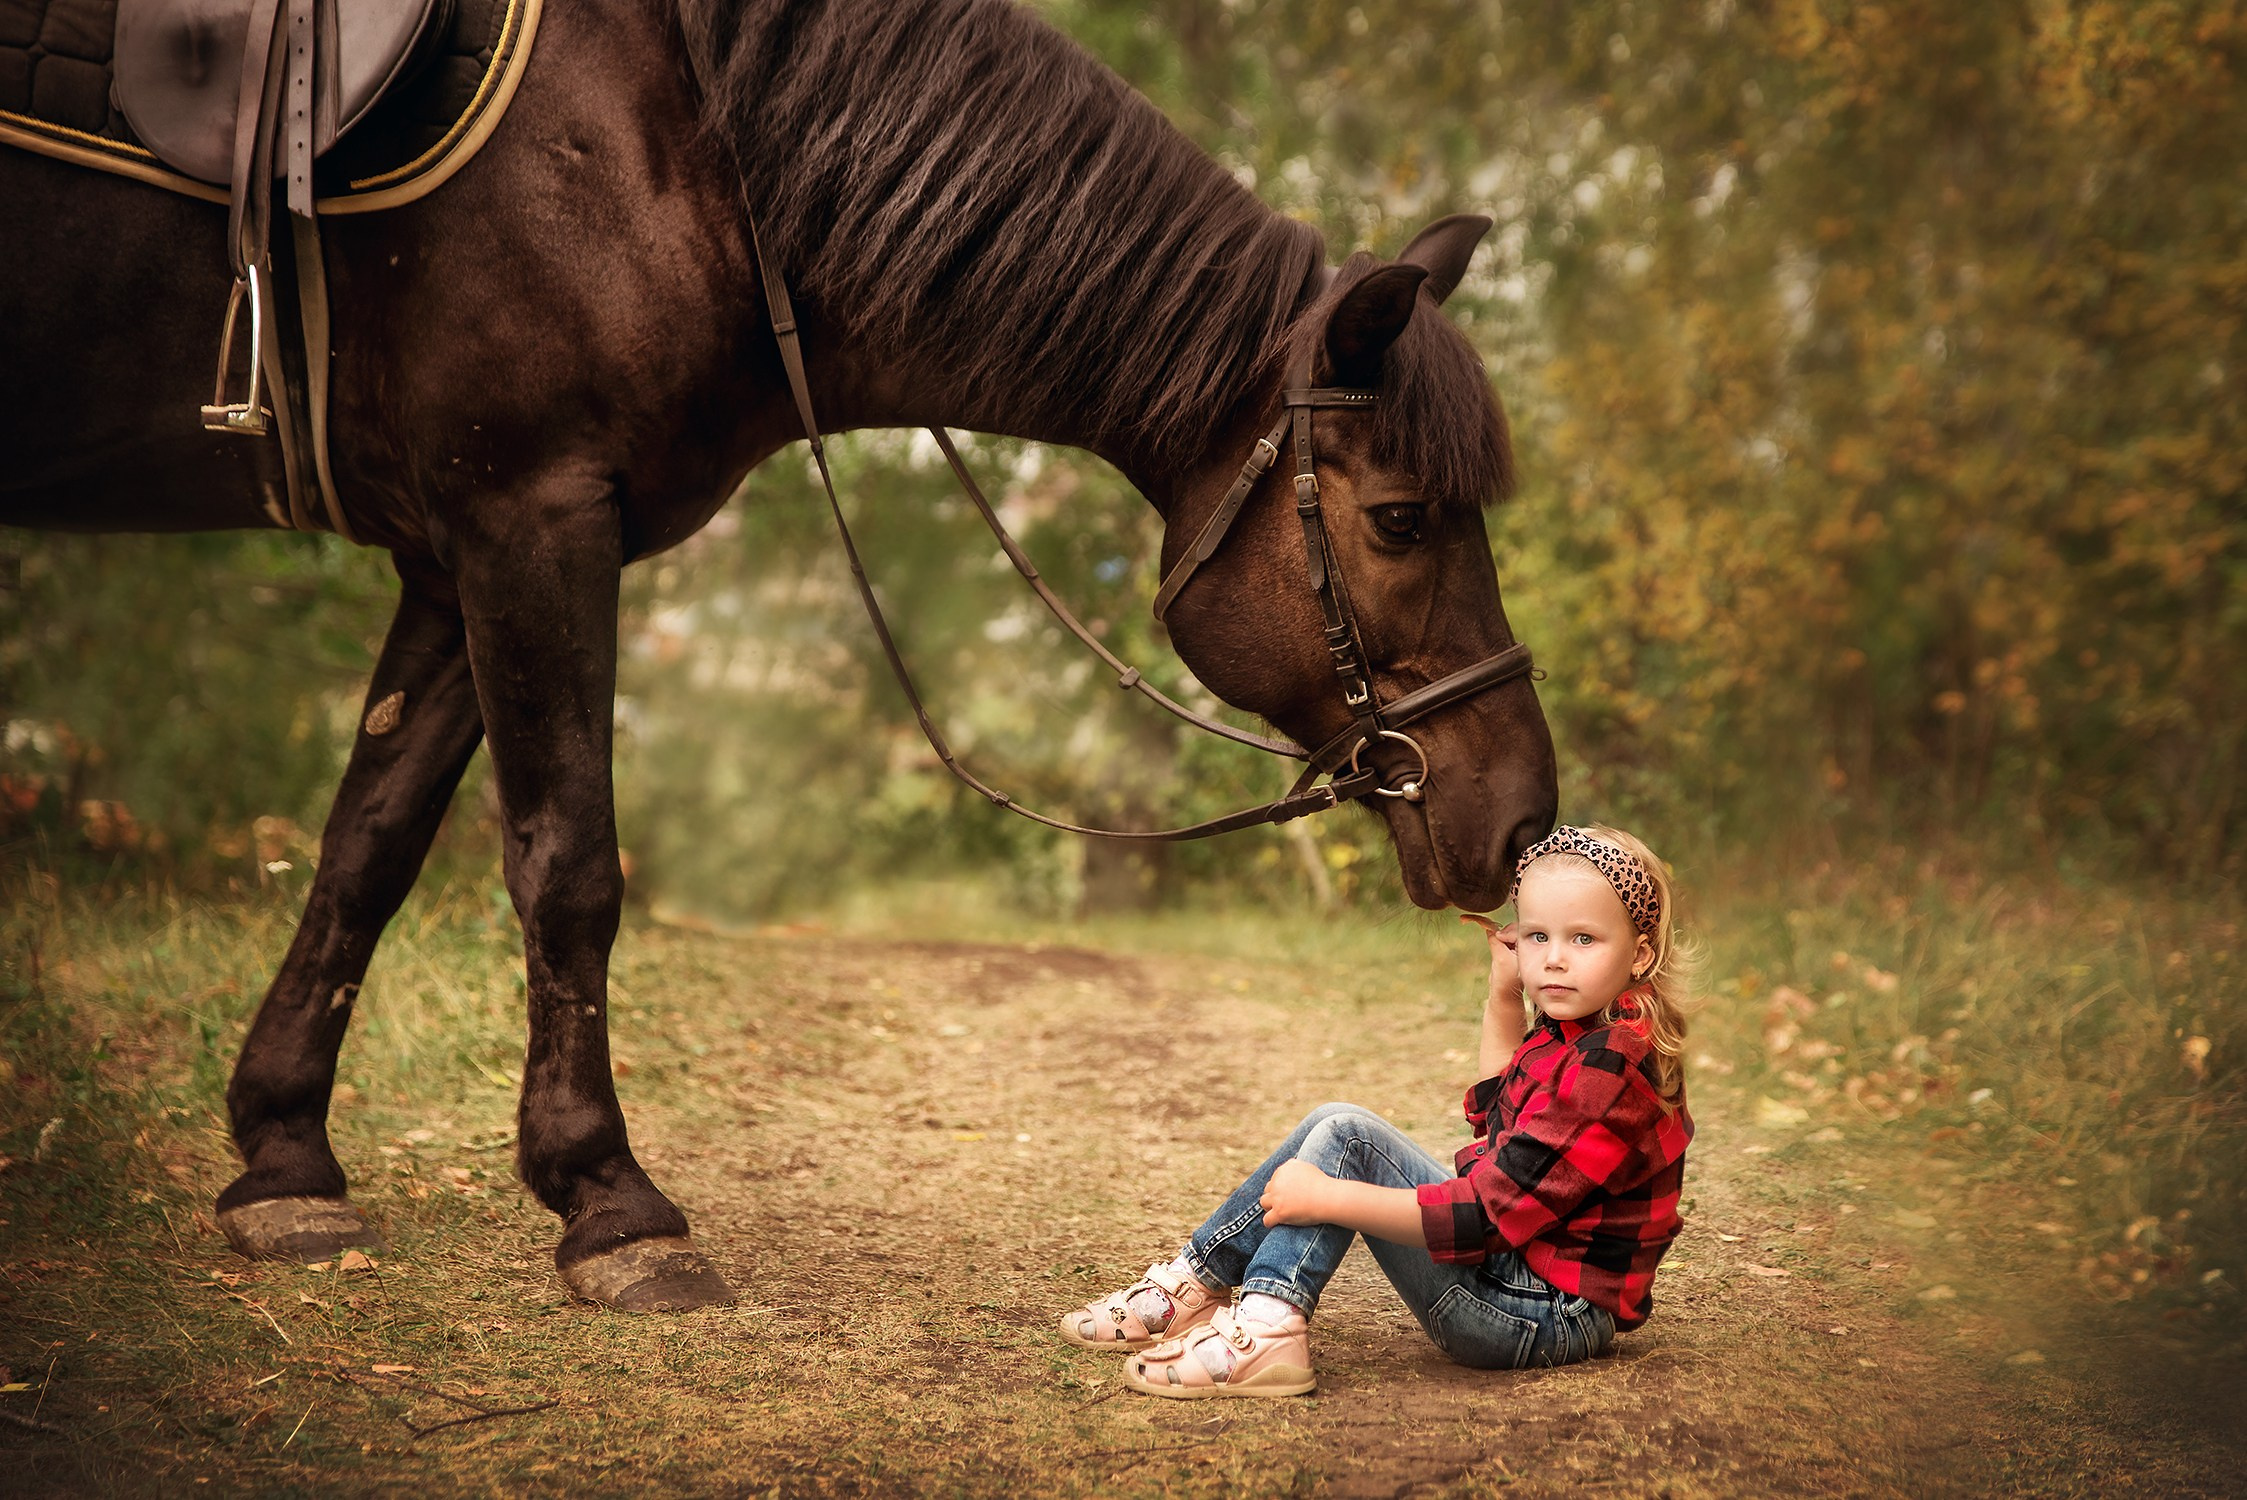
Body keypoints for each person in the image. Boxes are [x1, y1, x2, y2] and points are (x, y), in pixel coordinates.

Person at [1057, 824, 1695, 1398]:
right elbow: (1498, 1121)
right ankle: (1195, 1286)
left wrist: (1331, 1200)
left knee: (1347, 1148)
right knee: (1340, 1125)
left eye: (1583, 938)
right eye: (1536, 936)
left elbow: (1485, 1219)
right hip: (1521, 1289)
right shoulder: (1582, 1029)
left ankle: (1268, 1327)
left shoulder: (1612, 1063)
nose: (1553, 957)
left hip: (1538, 1315)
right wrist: (1504, 994)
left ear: (1639, 955)